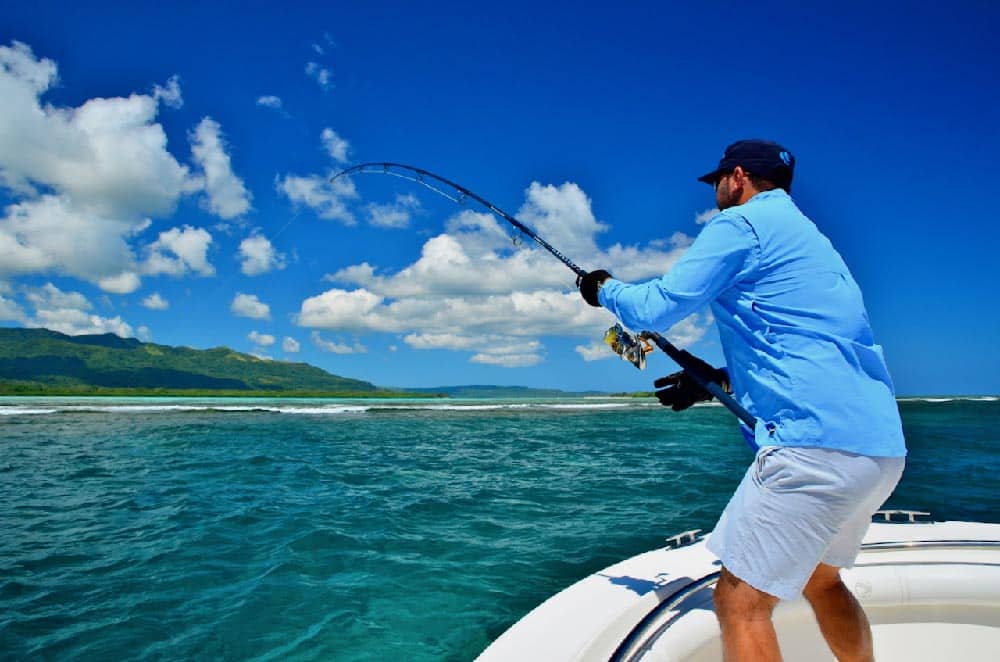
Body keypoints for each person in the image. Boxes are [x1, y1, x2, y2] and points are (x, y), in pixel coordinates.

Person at [577, 139, 907, 662]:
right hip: (880, 452)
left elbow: (656, 307)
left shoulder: (740, 225)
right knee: (822, 582)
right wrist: (718, 379)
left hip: (812, 449)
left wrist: (604, 289)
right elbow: (806, 346)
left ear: (737, 177)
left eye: (717, 184)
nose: (716, 195)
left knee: (738, 601)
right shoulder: (813, 241)